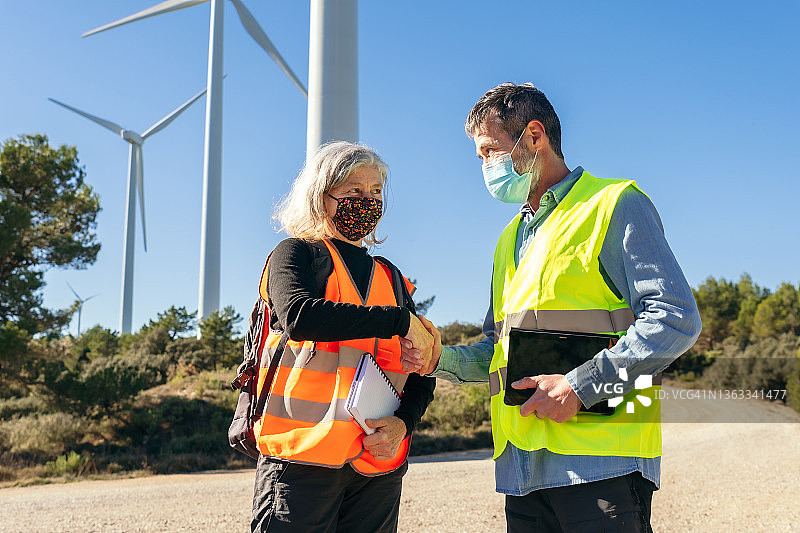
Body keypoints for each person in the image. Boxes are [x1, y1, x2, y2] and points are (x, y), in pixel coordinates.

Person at [403, 83, 702, 532]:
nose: (485, 166)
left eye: (490, 151)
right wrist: (436, 359)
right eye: (480, 157)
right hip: (522, 473)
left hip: (602, 467)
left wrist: (581, 386)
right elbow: (497, 348)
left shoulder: (614, 204)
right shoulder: (509, 239)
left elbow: (675, 317)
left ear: (534, 135)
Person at [250, 141, 436, 532]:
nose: (367, 202)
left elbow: (423, 368)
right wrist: (398, 321)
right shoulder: (296, 254)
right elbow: (300, 316)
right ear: (321, 197)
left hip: (377, 464)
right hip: (302, 460)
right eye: (353, 192)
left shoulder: (393, 280)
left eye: (376, 193)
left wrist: (404, 422)